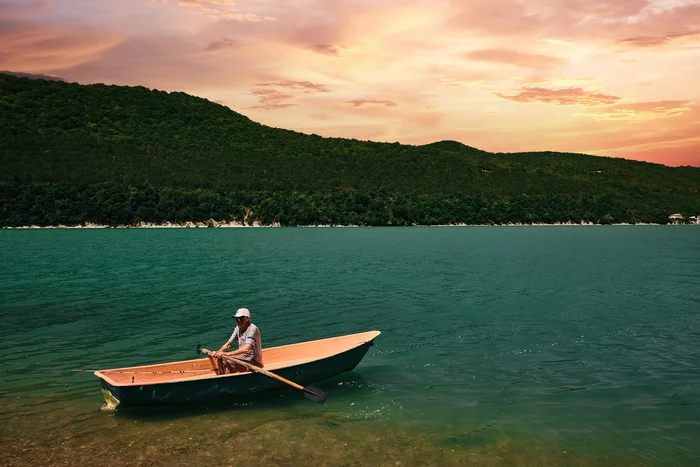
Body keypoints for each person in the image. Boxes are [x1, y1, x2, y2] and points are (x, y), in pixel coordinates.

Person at [213, 308, 263, 374]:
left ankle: (228, 380)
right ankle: (224, 377)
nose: (237, 321)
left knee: (229, 362)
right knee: (221, 359)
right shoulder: (238, 328)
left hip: (254, 362)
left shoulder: (253, 329)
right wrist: (218, 352)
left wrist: (227, 354)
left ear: (246, 319)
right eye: (236, 319)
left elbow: (246, 349)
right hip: (242, 358)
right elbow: (228, 344)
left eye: (239, 319)